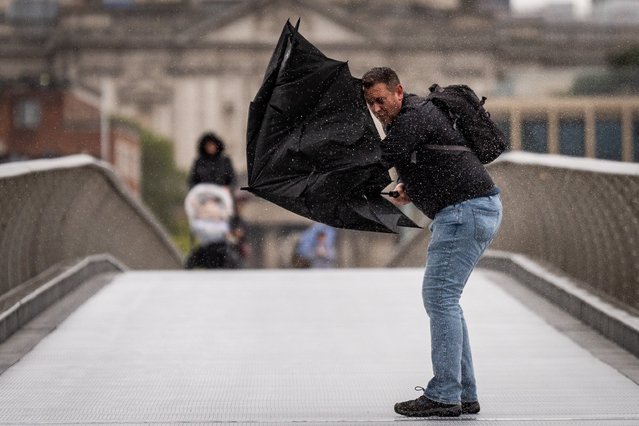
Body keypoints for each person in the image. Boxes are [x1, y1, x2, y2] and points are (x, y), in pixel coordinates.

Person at [362, 67, 503, 418]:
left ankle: (444, 394)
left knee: (439, 298)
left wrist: (322, 166)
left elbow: (376, 161)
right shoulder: (415, 117)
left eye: (380, 100)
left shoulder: (412, 117)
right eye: (370, 103)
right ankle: (463, 392)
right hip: (472, 209)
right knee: (447, 301)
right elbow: (438, 157)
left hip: (464, 212)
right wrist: (413, 187)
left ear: (398, 91)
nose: (376, 109)